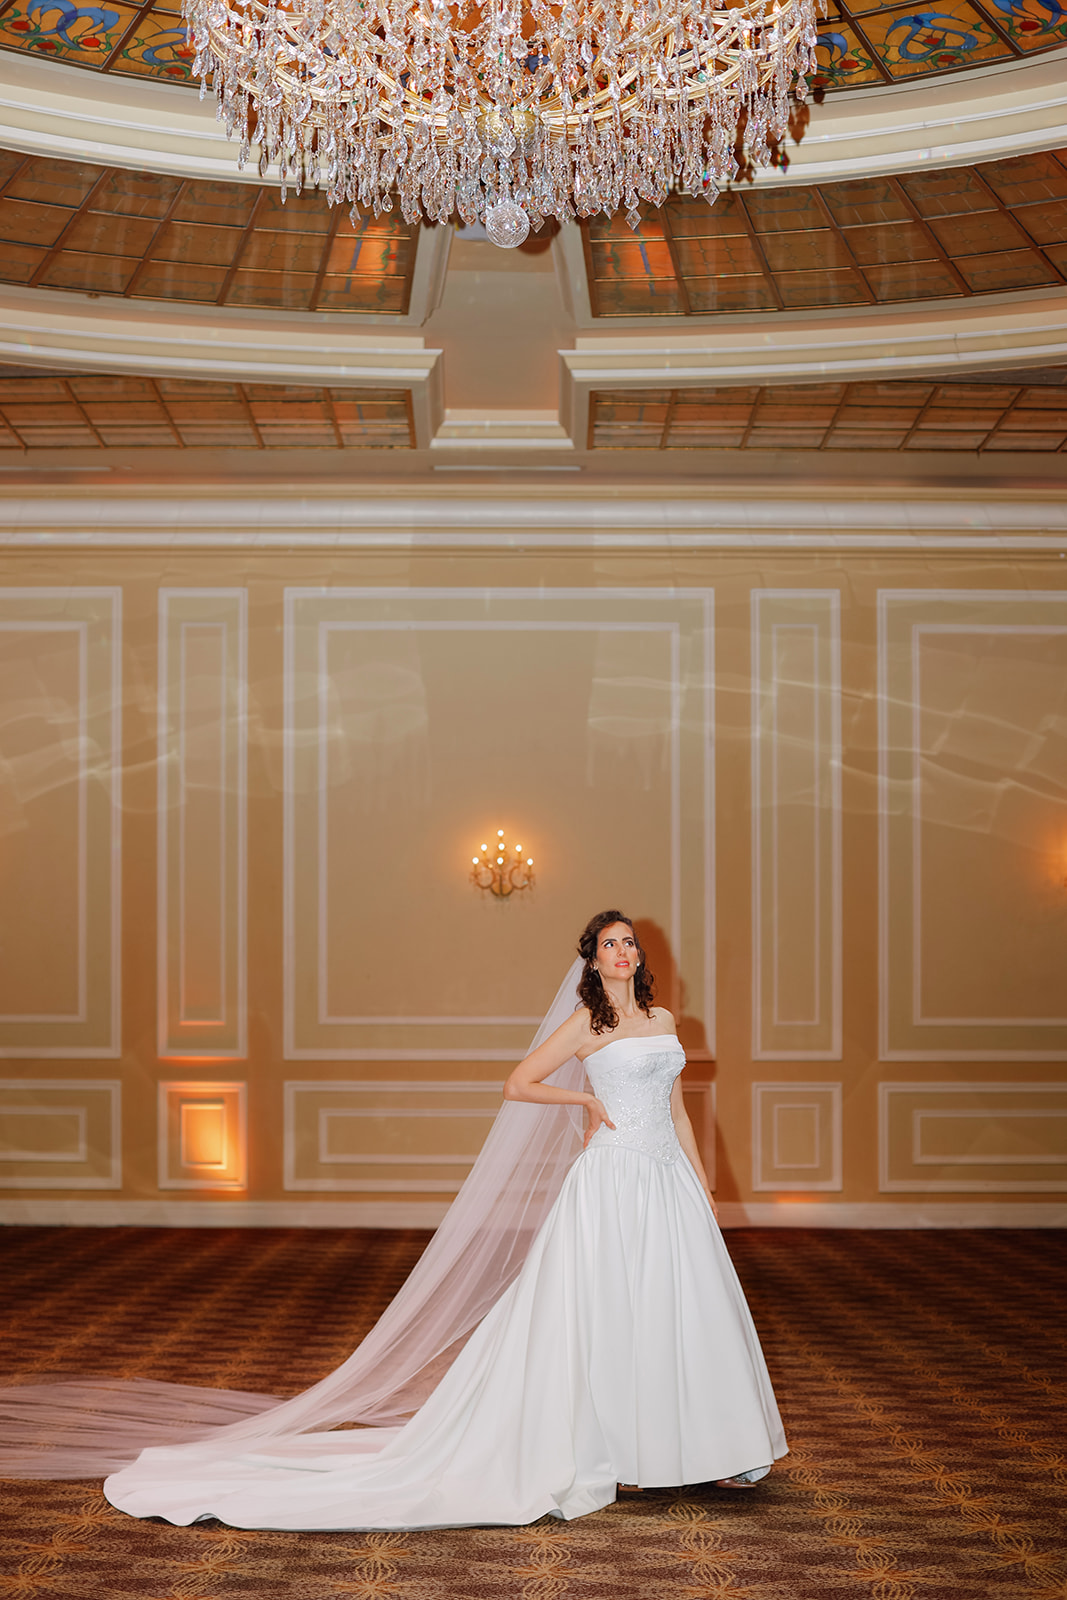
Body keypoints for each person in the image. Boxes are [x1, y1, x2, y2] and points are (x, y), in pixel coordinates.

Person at [1, 911, 786, 1529]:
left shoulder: (662, 1017)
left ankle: (699, 1446)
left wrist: (701, 1179)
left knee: (678, 1310)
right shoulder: (588, 1026)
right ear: (592, 958)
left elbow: (680, 1110)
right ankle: (616, 1446)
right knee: (606, 1312)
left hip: (664, 1181)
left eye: (630, 944)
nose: (623, 953)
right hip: (609, 1180)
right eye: (610, 944)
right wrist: (584, 1099)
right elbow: (516, 1085)